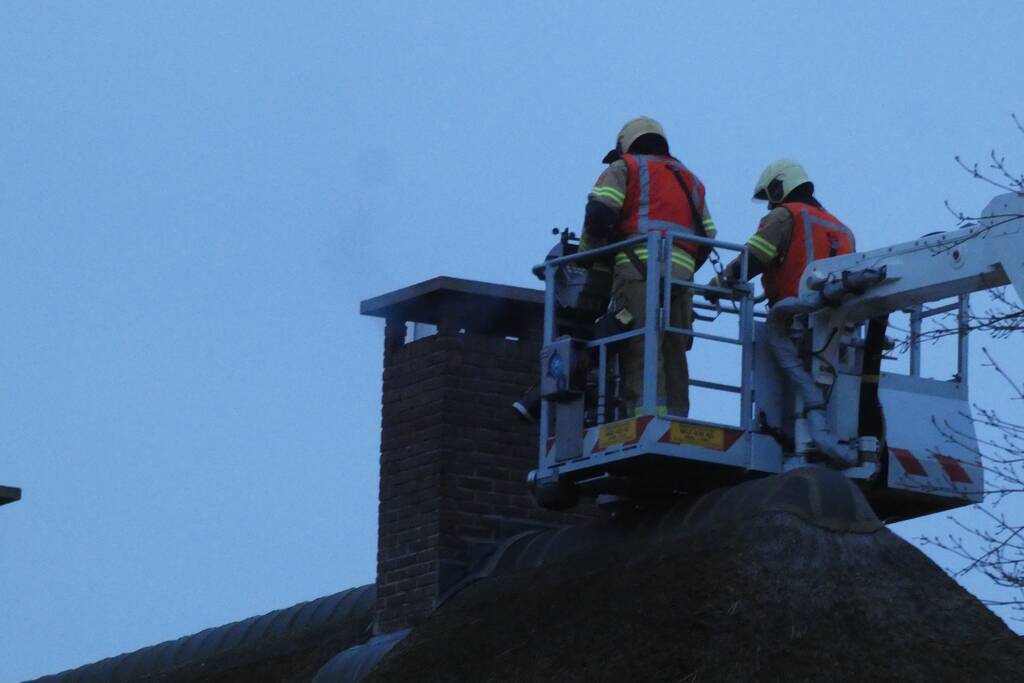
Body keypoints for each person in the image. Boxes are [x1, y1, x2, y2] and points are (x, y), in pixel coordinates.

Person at [579, 116, 717, 418]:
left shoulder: (624, 167)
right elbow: (708, 236)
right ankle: (677, 419)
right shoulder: (691, 180)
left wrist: (585, 261)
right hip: (681, 280)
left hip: (636, 271)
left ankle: (643, 415)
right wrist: (685, 267)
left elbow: (599, 216)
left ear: (625, 145)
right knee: (674, 349)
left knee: (640, 344)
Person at [707, 159, 854, 305]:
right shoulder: (844, 231)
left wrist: (720, 282)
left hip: (795, 312)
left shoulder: (785, 215)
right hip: (836, 320)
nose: (769, 206)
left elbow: (754, 257)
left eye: (769, 196)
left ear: (778, 188)